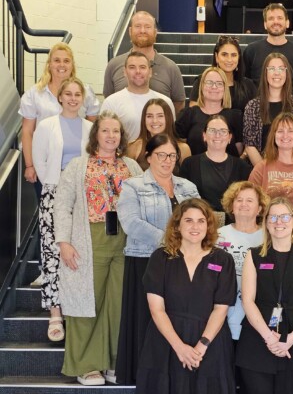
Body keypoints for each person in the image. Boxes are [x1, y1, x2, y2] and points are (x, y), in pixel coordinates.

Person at [53, 111, 143, 385]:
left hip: (125, 243)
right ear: (96, 135)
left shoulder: (131, 166)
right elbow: (62, 205)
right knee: (85, 303)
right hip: (87, 240)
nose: (111, 136)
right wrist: (64, 242)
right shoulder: (78, 166)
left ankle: (116, 362)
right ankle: (87, 365)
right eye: (105, 131)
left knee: (119, 304)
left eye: (116, 131)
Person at [115, 133, 199, 384]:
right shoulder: (133, 186)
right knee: (148, 321)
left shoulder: (188, 187)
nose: (166, 160)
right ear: (149, 157)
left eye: (172, 155)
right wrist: (171, 241)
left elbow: (199, 221)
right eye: (160, 155)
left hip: (184, 263)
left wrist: (187, 244)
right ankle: (147, 376)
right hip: (145, 261)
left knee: (177, 318)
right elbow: (131, 223)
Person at [136, 198, 237, 393]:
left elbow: (220, 309)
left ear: (208, 226)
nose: (195, 226)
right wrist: (180, 347)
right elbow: (157, 309)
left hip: (210, 343)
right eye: (188, 220)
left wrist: (201, 346)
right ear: (177, 225)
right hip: (167, 341)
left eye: (201, 221)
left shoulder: (223, 259)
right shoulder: (161, 257)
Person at [236, 197, 293, 393]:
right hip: (257, 339)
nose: (279, 222)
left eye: (284, 217)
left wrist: (290, 339)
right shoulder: (254, 255)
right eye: (272, 217)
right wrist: (269, 337)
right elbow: (248, 301)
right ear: (266, 223)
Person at [31, 77, 94, 342]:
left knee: (78, 251)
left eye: (77, 94)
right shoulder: (46, 126)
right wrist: (55, 186)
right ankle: (55, 312)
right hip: (54, 192)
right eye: (67, 93)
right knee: (53, 251)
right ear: (60, 97)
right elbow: (39, 159)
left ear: (83, 98)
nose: (72, 98)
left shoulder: (92, 128)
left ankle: (74, 308)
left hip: (83, 195)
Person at [20, 42, 100, 189]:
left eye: (66, 61)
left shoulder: (86, 92)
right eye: (57, 60)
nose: (61, 65)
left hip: (78, 167)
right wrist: (30, 164)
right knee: (49, 210)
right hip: (44, 164)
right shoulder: (35, 93)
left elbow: (94, 131)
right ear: (49, 64)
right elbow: (27, 131)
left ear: (72, 65)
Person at [103, 11, 185, 114]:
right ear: (130, 31)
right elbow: (109, 100)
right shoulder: (114, 65)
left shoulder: (171, 67)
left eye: (147, 27)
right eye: (137, 26)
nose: (142, 31)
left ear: (155, 32)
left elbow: (178, 104)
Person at [217, 182, 269, 341]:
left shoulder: (268, 237)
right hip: (222, 315)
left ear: (259, 208)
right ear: (231, 206)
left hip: (258, 316)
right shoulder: (217, 236)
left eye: (249, 200)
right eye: (239, 200)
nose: (243, 204)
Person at [243, 53, 293, 166]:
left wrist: (288, 168)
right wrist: (265, 172)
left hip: (291, 169)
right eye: (272, 68)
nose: (276, 73)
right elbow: (250, 146)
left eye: (281, 68)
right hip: (261, 170)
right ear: (265, 73)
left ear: (286, 73)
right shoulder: (253, 106)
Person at [249, 112, 293, 219]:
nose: (285, 135)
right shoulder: (261, 167)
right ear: (274, 135)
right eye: (280, 131)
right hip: (270, 230)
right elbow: (251, 204)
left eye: (290, 131)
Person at [180, 115, 252, 216]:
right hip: (199, 224)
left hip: (233, 226)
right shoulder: (189, 164)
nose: (217, 135)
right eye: (212, 130)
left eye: (223, 131)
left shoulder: (242, 167)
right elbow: (183, 202)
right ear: (204, 135)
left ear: (230, 137)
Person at [243, 3, 293, 101]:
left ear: (287, 23)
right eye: (271, 18)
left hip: (289, 113)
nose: (276, 21)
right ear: (265, 24)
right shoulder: (251, 50)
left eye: (280, 18)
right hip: (257, 112)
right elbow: (244, 84)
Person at [101, 51, 175, 142]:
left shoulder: (165, 102)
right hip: (124, 155)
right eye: (132, 67)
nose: (138, 71)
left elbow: (171, 135)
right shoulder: (111, 102)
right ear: (124, 72)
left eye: (142, 67)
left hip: (160, 155)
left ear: (150, 72)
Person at [176, 67, 243, 157]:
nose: (214, 87)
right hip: (195, 169)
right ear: (201, 86)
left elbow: (239, 151)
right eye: (209, 82)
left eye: (219, 83)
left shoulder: (236, 116)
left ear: (224, 88)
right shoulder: (188, 114)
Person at [189, 35, 256, 112]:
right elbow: (193, 113)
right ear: (216, 57)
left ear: (239, 58)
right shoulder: (202, 81)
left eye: (233, 55)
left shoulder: (248, 85)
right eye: (224, 54)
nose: (229, 60)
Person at [127, 98, 191, 171]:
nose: (154, 121)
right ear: (144, 119)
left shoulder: (183, 149)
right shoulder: (133, 147)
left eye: (160, 116)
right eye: (149, 116)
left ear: (168, 118)